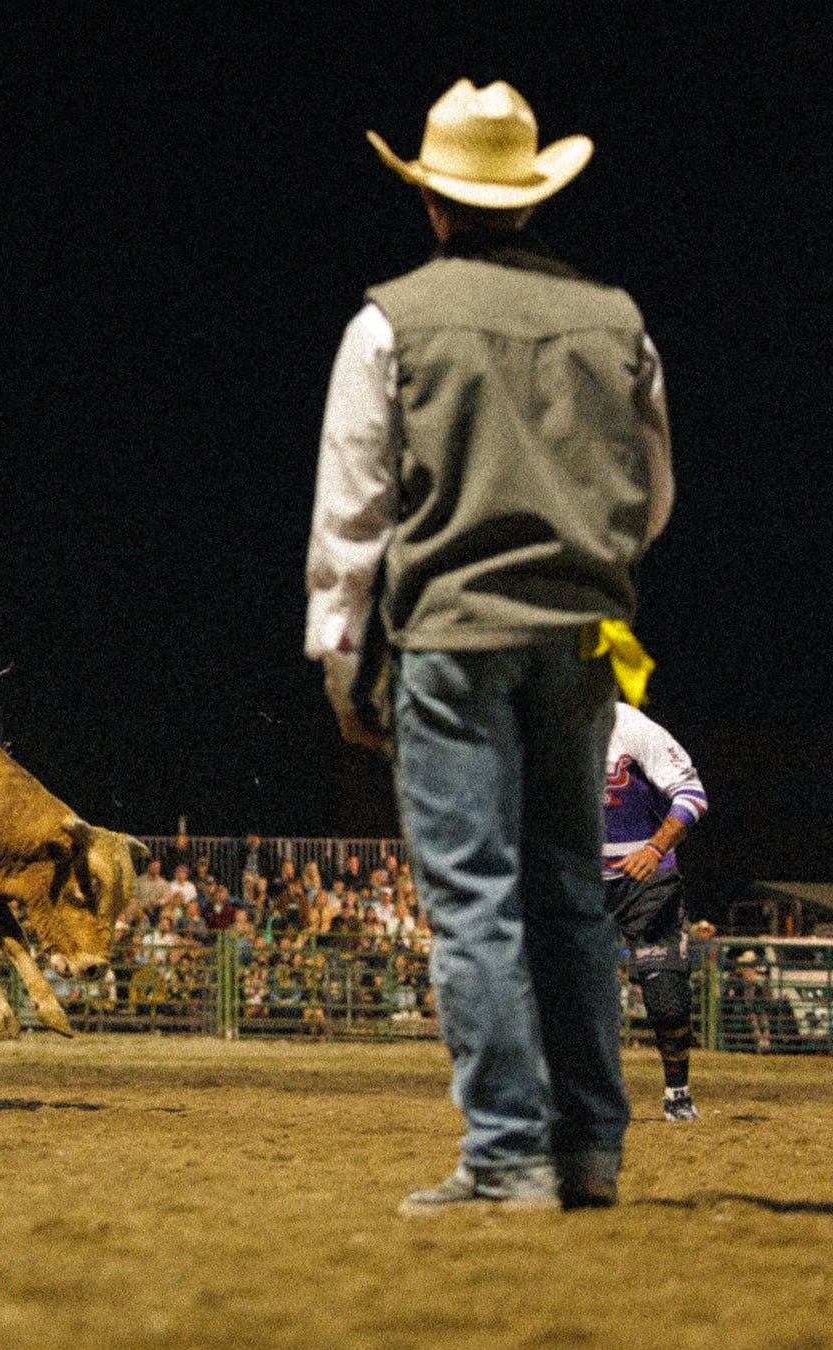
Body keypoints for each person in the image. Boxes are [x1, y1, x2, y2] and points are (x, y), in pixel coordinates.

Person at [306, 80, 672, 1215]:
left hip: (452, 638)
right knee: (568, 886)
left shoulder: (391, 321)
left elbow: (353, 516)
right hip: (581, 638)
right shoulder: (616, 318)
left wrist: (342, 659)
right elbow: (651, 497)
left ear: (431, 199)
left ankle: (506, 1156)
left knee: (475, 897)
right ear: (529, 195)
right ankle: (589, 1153)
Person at [603, 702, 708, 1122]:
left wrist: (655, 847)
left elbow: (692, 794)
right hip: (575, 878)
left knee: (665, 996)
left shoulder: (630, 726)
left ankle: (677, 1092)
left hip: (646, 876)